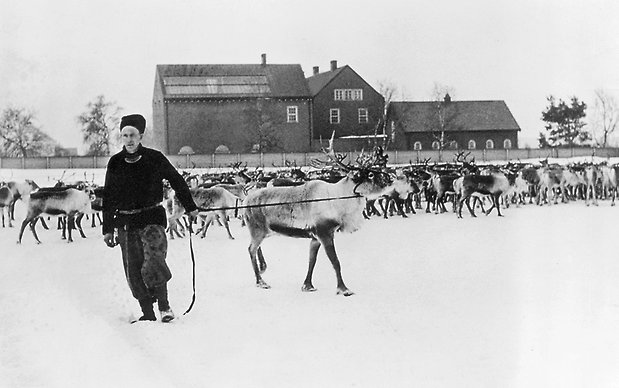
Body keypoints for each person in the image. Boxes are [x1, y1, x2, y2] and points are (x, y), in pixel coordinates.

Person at [102, 114, 199, 323]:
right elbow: (108, 196)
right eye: (125, 135)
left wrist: (190, 207)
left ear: (141, 136)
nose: (129, 139)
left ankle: (164, 306)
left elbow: (176, 180)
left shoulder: (154, 158)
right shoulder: (115, 162)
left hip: (152, 219)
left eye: (133, 135)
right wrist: (108, 229)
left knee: (155, 261)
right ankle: (147, 312)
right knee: (133, 269)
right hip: (126, 223)